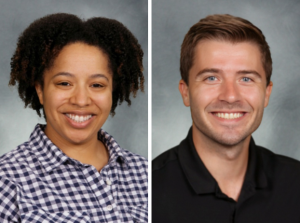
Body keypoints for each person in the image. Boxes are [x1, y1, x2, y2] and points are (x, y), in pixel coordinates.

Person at [0, 13, 147, 222]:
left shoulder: (148, 175)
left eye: (97, 85)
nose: (80, 100)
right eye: (64, 83)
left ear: (113, 92)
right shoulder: (6, 182)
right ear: (40, 89)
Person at [152, 14, 300, 223]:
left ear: (266, 93)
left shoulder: (296, 185)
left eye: (246, 78)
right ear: (185, 92)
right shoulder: (147, 193)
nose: (230, 96)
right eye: (211, 78)